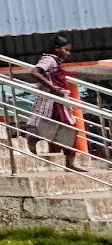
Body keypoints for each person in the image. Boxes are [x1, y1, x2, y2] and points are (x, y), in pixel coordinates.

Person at [27, 35, 78, 165]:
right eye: (65, 49)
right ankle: (69, 162)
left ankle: (69, 162)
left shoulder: (56, 61)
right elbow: (35, 72)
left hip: (59, 99)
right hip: (54, 100)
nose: (68, 53)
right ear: (57, 48)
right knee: (69, 127)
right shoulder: (49, 59)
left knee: (64, 128)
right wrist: (53, 88)